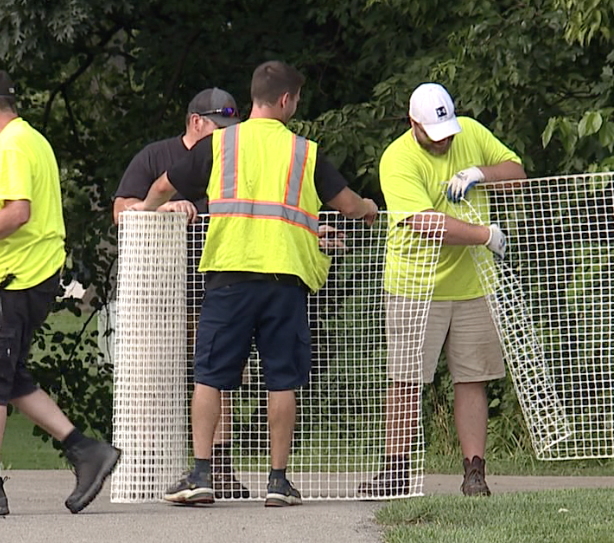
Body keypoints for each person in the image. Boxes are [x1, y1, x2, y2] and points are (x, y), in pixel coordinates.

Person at [129, 60, 378, 507]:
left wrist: (144, 213)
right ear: (285, 100)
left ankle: (201, 473)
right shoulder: (306, 152)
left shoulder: (220, 145)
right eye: (297, 99)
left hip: (230, 275)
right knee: (281, 381)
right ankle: (278, 482)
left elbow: (166, 185)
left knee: (209, 376)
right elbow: (347, 204)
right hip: (286, 280)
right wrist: (368, 208)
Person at [0, 66, 122, 517]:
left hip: (12, 278)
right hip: (32, 276)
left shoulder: (13, 144)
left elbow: (17, 212)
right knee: (9, 376)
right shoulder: (33, 140)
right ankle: (86, 451)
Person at [360, 82, 525, 498]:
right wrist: (484, 235)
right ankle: (395, 472)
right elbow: (425, 223)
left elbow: (517, 176)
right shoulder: (397, 158)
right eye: (435, 135)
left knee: (473, 378)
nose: (445, 141)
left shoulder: (469, 131)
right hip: (415, 286)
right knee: (405, 380)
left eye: (448, 132)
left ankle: (475, 474)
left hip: (472, 284)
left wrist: (479, 173)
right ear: (412, 123)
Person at [111, 88, 251, 499]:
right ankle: (145, 465)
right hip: (159, 294)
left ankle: (217, 467)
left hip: (218, 285)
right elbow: (122, 210)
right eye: (217, 126)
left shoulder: (233, 160)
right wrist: (164, 207)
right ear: (195, 122)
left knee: (220, 377)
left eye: (230, 128)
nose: (224, 135)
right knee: (154, 379)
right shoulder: (156, 157)